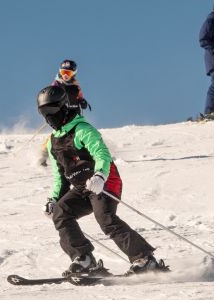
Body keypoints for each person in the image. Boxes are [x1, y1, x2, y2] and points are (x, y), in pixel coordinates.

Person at [37, 85, 165, 276]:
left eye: (52, 110)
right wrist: (53, 199)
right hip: (83, 187)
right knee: (61, 212)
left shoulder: (82, 129)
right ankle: (84, 258)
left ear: (63, 107)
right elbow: (60, 176)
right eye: (43, 112)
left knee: (105, 218)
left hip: (105, 181)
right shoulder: (52, 141)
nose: (49, 117)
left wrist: (99, 176)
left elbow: (102, 154)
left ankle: (145, 258)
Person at [39, 60, 90, 166]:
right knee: (58, 134)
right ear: (60, 72)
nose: (66, 75)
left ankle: (86, 154)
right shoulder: (57, 84)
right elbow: (50, 95)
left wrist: (82, 101)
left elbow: (79, 96)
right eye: (63, 72)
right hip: (62, 113)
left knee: (78, 133)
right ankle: (43, 154)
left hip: (74, 113)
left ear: (74, 73)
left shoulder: (75, 85)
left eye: (69, 73)